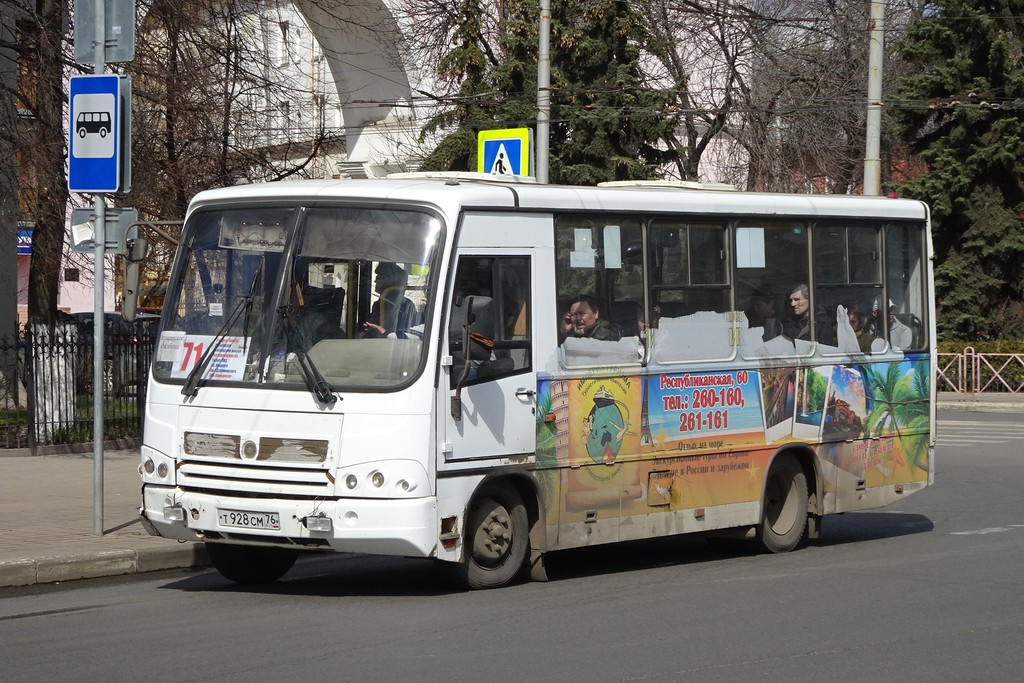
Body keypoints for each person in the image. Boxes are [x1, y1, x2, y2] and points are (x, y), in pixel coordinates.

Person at [363, 262, 418, 338]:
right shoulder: (378, 305)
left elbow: (407, 339)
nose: (375, 281)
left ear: (392, 281)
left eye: (380, 277)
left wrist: (384, 333)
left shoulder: (406, 306)